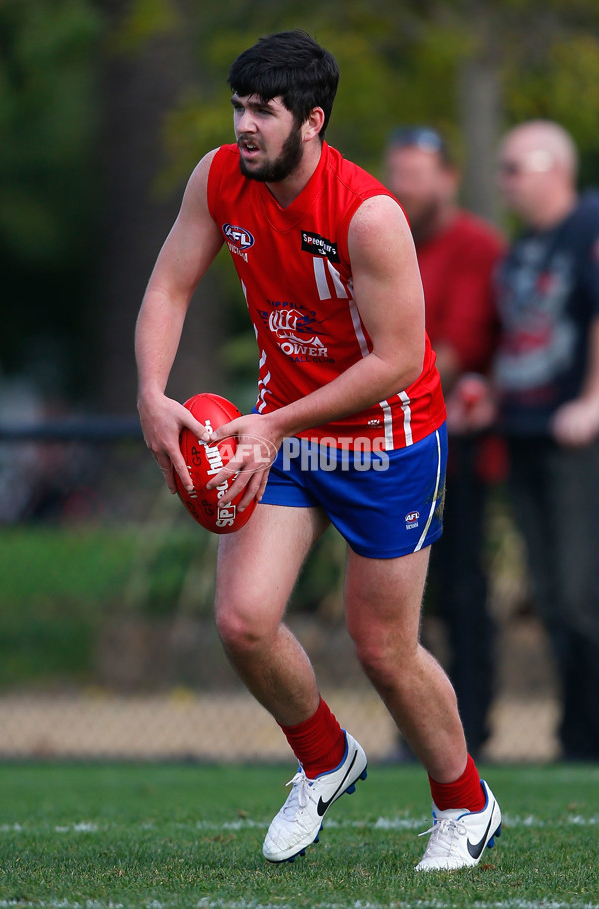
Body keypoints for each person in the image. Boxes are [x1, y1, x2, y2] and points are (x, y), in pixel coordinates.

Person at [135, 30, 501, 870]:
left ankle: (466, 803)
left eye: (263, 110)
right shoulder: (220, 176)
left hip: (387, 441)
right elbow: (168, 284)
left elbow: (399, 360)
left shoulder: (368, 214)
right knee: (242, 620)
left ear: (313, 122)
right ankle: (325, 756)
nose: (245, 126)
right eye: (238, 106)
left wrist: (276, 423)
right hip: (286, 432)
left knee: (382, 646)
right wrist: (152, 394)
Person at [382, 127, 505, 757]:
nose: (404, 185)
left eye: (418, 172)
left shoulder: (476, 247)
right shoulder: (379, 235)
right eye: (396, 172)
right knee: (401, 604)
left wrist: (387, 380)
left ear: (448, 178)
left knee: (460, 591)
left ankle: (473, 727)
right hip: (389, 448)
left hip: (457, 451)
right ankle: (417, 734)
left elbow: (456, 346)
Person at [490, 120, 599, 760]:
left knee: (580, 593)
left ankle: (587, 737)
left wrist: (591, 399)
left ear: (553, 166)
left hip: (574, 441)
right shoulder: (523, 248)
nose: (503, 181)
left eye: (513, 167)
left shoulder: (587, 225)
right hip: (524, 431)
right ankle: (575, 736)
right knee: (552, 598)